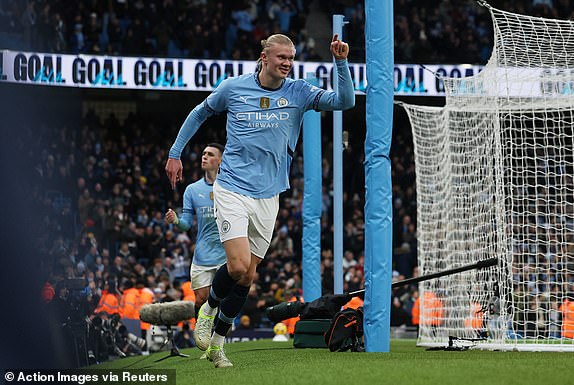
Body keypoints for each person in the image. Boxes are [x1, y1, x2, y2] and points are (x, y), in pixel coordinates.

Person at [165, 33, 355, 368]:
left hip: (269, 196)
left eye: (291, 58)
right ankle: (208, 309)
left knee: (248, 276)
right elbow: (199, 112)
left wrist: (341, 62)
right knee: (237, 266)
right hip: (232, 188)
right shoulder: (234, 88)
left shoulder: (298, 92)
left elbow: (345, 101)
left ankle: (219, 344)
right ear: (264, 56)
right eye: (281, 57)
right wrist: (175, 154)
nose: (287, 64)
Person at [164, 144, 227, 325]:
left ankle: (219, 338)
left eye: (210, 154)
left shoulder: (231, 187)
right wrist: (176, 221)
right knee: (201, 300)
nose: (204, 157)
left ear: (221, 160)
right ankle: (201, 335)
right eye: (203, 153)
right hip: (203, 254)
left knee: (223, 299)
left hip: (226, 254)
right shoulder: (192, 190)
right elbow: (186, 225)